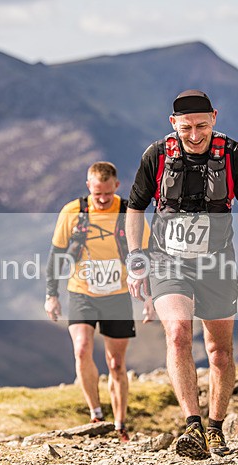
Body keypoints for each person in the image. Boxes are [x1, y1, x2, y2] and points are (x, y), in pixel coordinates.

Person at [124, 90, 238, 459]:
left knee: (219, 351)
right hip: (167, 260)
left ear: (215, 118)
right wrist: (137, 258)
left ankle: (217, 428)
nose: (194, 134)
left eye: (202, 125)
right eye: (186, 127)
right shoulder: (157, 155)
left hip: (217, 262)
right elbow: (136, 208)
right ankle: (193, 426)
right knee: (178, 332)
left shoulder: (234, 155)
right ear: (173, 123)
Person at [44, 161, 154, 443]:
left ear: (116, 186)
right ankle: (95, 414)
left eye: (107, 193)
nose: (102, 199)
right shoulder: (73, 212)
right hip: (81, 291)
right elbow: (56, 254)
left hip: (117, 295)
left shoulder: (129, 213)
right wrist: (51, 295)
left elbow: (146, 256)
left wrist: (149, 298)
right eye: (97, 194)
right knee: (81, 350)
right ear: (88, 187)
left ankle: (120, 424)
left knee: (116, 363)